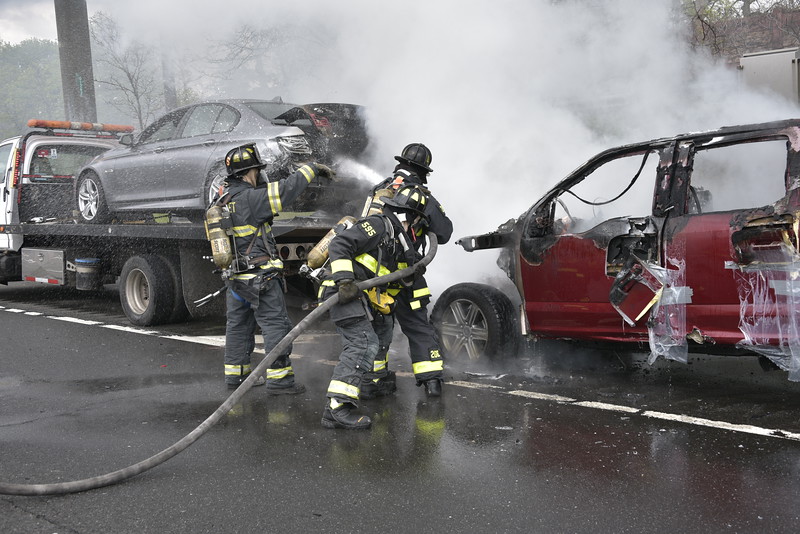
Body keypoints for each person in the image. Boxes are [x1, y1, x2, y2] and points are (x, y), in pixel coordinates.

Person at [221, 143, 334, 390]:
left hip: (235, 278)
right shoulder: (251, 199)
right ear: (249, 172)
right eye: (257, 171)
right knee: (276, 325)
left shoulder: (223, 199)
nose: (259, 175)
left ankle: (237, 376)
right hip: (261, 278)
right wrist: (311, 169)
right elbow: (285, 191)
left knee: (238, 327)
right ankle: (280, 379)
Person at [319, 186, 428, 429]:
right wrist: (345, 281)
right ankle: (337, 407)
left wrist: (412, 272)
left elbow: (391, 278)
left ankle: (369, 383)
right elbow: (340, 245)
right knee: (362, 343)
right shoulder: (380, 225)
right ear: (411, 215)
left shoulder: (401, 240)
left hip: (366, 294)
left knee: (382, 332)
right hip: (342, 291)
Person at [361, 143, 453, 398]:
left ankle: (374, 381)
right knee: (417, 326)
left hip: (375, 277)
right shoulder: (421, 195)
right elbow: (444, 233)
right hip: (406, 277)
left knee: (379, 327)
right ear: (423, 171)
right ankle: (432, 382)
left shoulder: (378, 190)